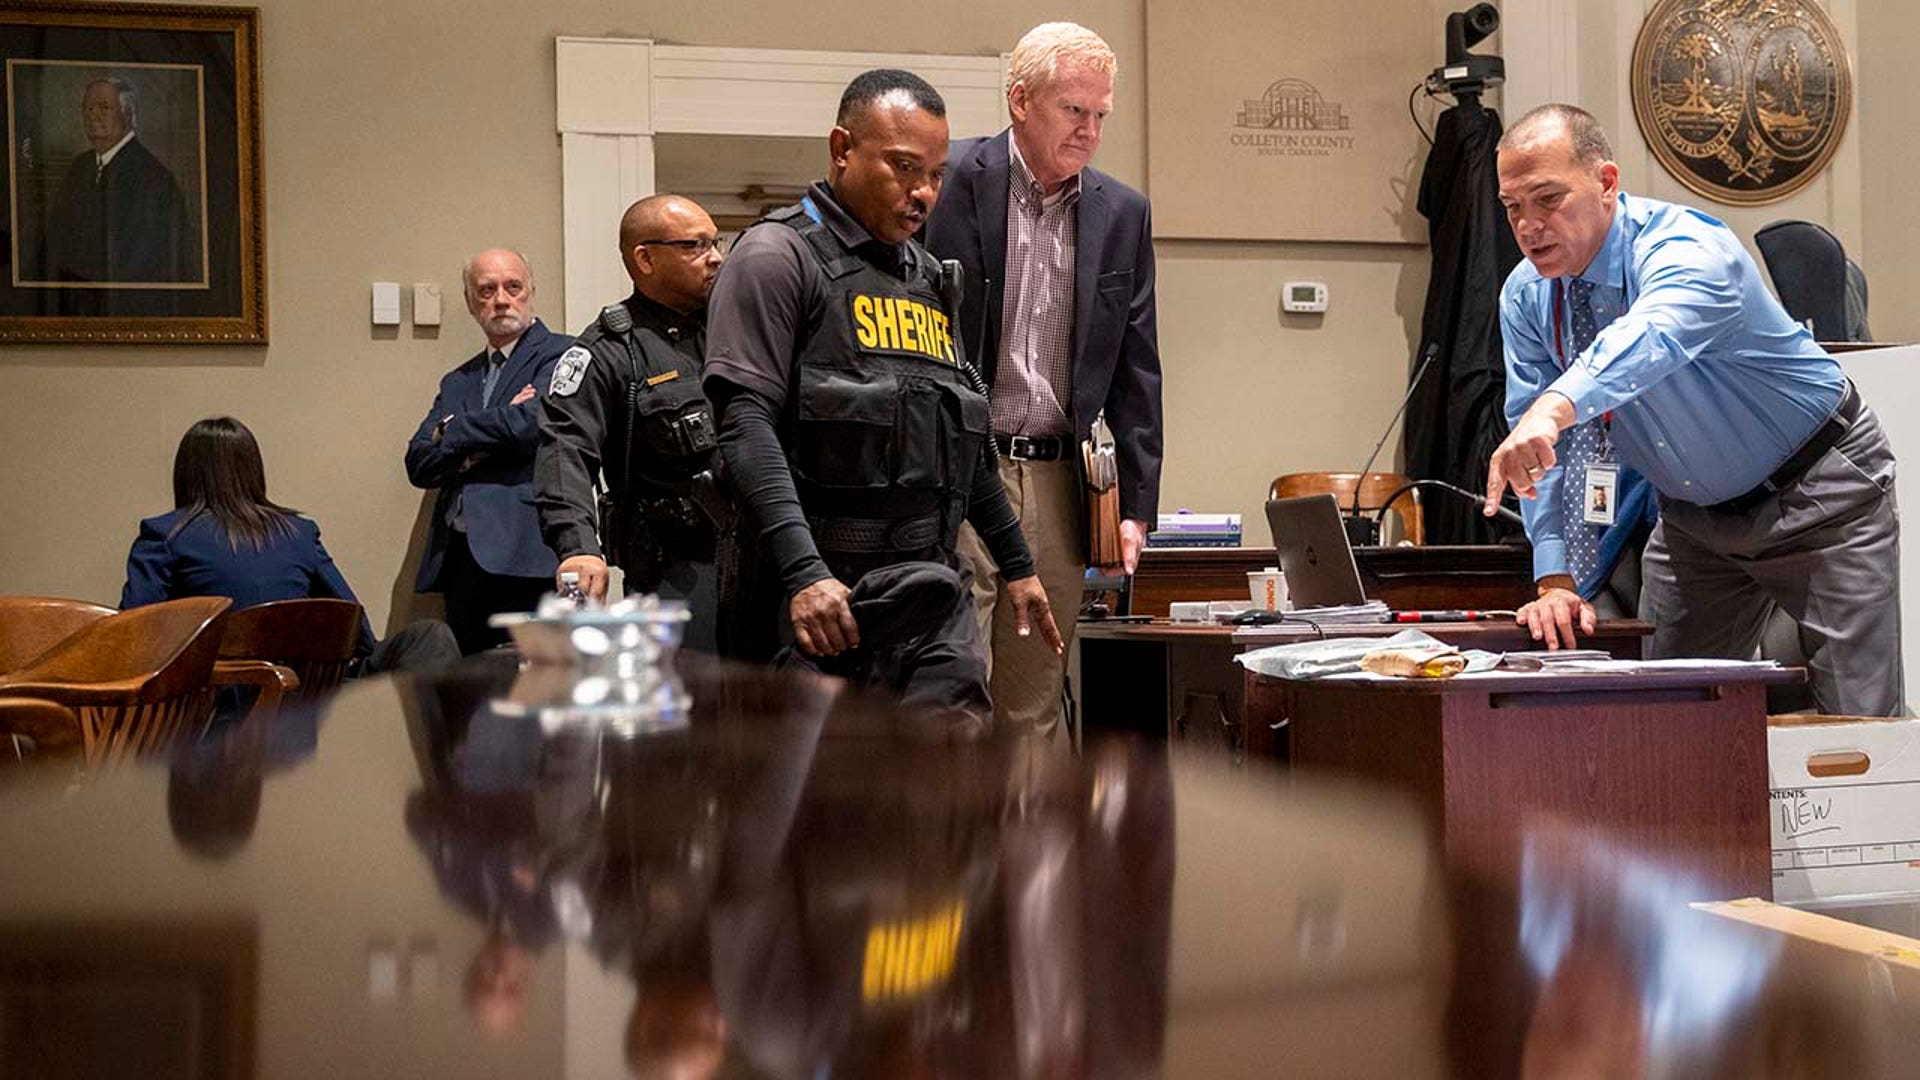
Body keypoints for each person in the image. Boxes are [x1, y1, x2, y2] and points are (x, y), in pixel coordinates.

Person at [1484, 103, 1900, 715]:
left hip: (1820, 496)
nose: (1528, 225)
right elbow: (1542, 452)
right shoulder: (1526, 295)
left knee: (1860, 729)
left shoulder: (1689, 246)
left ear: (1605, 183)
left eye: (1547, 199)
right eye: (1513, 207)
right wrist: (1555, 579)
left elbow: (1652, 338)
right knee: (1672, 722)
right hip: (1695, 520)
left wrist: (1554, 405)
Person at [702, 68, 1061, 717]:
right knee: (827, 811)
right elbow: (745, 427)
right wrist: (805, 574)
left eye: (936, 173)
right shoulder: (776, 258)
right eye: (902, 168)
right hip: (819, 600)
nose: (922, 192)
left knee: (946, 797)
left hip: (929, 597)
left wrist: (1018, 566)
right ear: (842, 149)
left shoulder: (927, 278)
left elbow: (959, 441)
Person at [922, 22, 1162, 737]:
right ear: (1020, 100)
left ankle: (1027, 850)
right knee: (957, 690)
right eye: (1073, 110)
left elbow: (1137, 363)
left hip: (1061, 483)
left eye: (1100, 115)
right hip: (964, 471)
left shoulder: (1122, 211)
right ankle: (954, 850)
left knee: (1031, 704)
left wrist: (1136, 508)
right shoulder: (949, 180)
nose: (1089, 131)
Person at [536, 195, 726, 651]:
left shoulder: (739, 328)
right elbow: (565, 449)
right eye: (695, 246)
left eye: (717, 242)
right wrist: (579, 547)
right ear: (645, 258)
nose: (716, 257)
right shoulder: (607, 351)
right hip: (677, 571)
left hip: (764, 565)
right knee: (684, 713)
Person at [122, 416, 457, 675]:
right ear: (253, 471)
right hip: (304, 705)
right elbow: (356, 626)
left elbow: (132, 637)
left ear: (185, 473)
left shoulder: (164, 535)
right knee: (429, 636)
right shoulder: (298, 532)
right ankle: (437, 756)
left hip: (211, 709)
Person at [408, 249, 573, 654]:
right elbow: (418, 462)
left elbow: (534, 422)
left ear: (531, 292)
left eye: (512, 287)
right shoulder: (458, 381)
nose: (501, 299)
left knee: (537, 693)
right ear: (470, 302)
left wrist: (454, 431)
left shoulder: (561, 354)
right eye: (486, 290)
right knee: (471, 698)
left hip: (527, 550)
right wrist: (493, 429)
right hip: (459, 561)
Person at [43, 76, 195, 285]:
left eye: (104, 108)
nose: (93, 116)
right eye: (87, 109)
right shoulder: (80, 167)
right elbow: (54, 239)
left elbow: (138, 261)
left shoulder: (152, 179)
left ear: (128, 114)